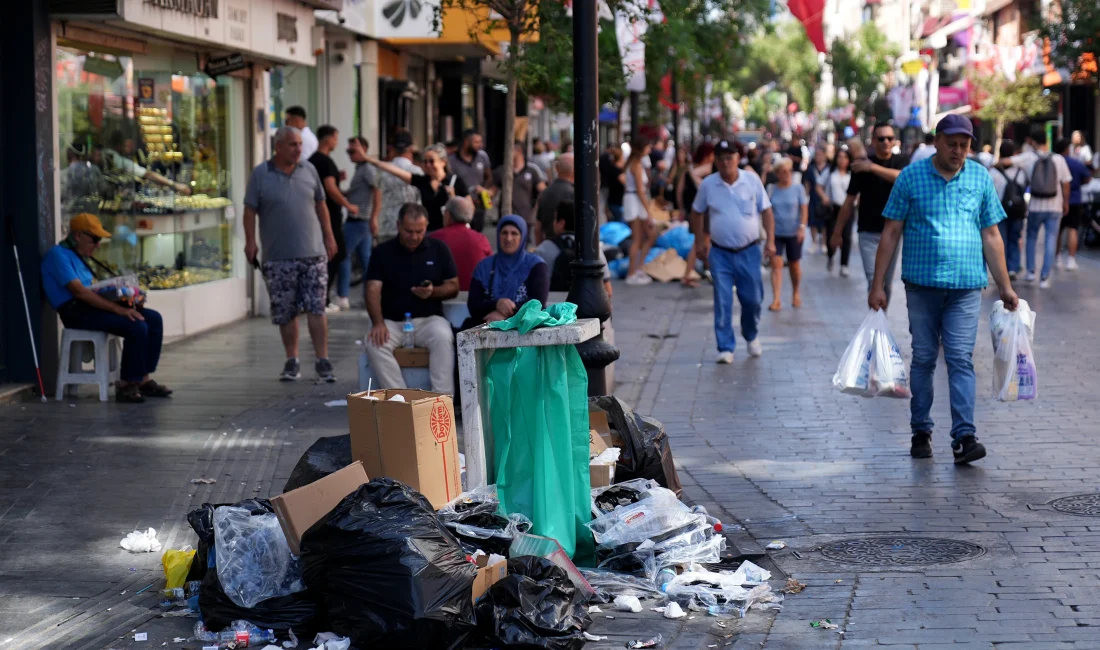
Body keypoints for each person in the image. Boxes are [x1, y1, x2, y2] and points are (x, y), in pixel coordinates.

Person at [873, 114, 1018, 464]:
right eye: (951, 144)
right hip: (921, 286)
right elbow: (891, 233)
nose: (957, 151)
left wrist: (1006, 287)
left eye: (964, 145)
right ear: (936, 141)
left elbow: (991, 235)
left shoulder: (980, 178)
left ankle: (964, 436)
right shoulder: (910, 177)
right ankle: (921, 430)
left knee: (959, 359)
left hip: (967, 287)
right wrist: (878, 284)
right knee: (923, 358)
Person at [243, 126, 339, 382]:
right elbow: (250, 210)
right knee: (286, 311)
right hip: (278, 256)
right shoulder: (261, 174)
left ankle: (322, 360)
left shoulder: (309, 170)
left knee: (317, 308)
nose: (298, 149)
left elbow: (321, 204)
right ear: (278, 147)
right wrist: (250, 241)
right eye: (292, 145)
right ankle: (292, 359)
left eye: (299, 144)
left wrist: (329, 236)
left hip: (314, 253)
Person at [41, 214, 171, 403]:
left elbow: (92, 289)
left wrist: (126, 298)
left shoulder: (80, 256)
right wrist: (119, 310)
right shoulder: (58, 255)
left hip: (89, 305)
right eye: (94, 239)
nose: (97, 245)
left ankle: (143, 379)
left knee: (153, 318)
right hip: (75, 310)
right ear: (77, 236)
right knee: (136, 325)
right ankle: (127, 384)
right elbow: (79, 292)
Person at [690, 139, 774, 364]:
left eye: (730, 157)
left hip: (749, 251)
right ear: (715, 161)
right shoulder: (709, 184)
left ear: (738, 158)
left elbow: (766, 211)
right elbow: (696, 211)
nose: (726, 162)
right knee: (723, 299)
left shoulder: (751, 180)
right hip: (720, 253)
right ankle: (725, 346)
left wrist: (771, 241)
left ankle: (751, 334)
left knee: (753, 299)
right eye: (721, 158)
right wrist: (700, 241)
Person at [364, 203, 459, 394]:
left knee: (443, 336)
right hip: (393, 321)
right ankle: (401, 398)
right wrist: (378, 322)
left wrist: (433, 291)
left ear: (427, 226)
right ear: (398, 226)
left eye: (419, 231)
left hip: (429, 320)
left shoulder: (438, 248)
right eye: (409, 231)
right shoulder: (382, 252)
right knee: (373, 342)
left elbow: (453, 286)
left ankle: (442, 399)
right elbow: (372, 289)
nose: (414, 237)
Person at [831, 123, 908, 305]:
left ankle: (880, 321)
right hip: (867, 232)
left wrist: (872, 168)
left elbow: (903, 177)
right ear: (873, 141)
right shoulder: (861, 167)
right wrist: (837, 232)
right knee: (874, 280)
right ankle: (875, 322)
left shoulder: (900, 160)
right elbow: (849, 201)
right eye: (881, 138)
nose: (886, 142)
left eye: (889, 138)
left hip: (893, 233)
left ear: (895, 140)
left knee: (885, 283)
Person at [1000, 127, 1071, 287]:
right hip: (1055, 206)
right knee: (1051, 239)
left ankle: (1031, 272)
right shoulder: (1058, 159)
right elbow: (1066, 183)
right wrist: (1065, 202)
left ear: (1032, 141)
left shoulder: (1028, 157)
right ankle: (1045, 277)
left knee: (1031, 238)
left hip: (1035, 207)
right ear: (1046, 140)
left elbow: (1006, 161)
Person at [363, 143, 469, 232]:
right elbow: (394, 170)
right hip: (429, 233)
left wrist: (453, 197)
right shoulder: (422, 181)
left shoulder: (455, 181)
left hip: (449, 232)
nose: (427, 165)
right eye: (425, 161)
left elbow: (469, 209)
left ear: (443, 162)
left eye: (431, 161)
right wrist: (367, 159)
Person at [308, 125, 357, 313]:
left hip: (319, 216)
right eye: (336, 139)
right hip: (330, 216)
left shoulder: (313, 161)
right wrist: (348, 204)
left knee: (329, 255)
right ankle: (324, 298)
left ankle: (321, 297)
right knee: (334, 255)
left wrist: (338, 182)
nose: (337, 143)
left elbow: (330, 186)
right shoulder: (325, 162)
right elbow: (329, 188)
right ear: (328, 139)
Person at [467, 215, 550, 324]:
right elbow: (473, 305)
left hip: (524, 328)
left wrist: (507, 314)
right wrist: (497, 304)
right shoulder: (484, 266)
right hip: (487, 325)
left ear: (523, 236)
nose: (508, 238)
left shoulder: (536, 265)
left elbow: (538, 303)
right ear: (498, 235)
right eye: (504, 233)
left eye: (514, 233)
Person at [534, 200, 614, 297]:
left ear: (561, 223)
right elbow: (608, 290)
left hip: (553, 307)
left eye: (555, 219)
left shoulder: (543, 249)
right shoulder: (593, 248)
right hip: (586, 306)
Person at [339, 136, 382, 309]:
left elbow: (377, 190)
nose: (350, 154)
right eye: (348, 151)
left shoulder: (367, 169)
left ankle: (342, 295)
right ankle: (369, 297)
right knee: (366, 261)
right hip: (361, 219)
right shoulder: (360, 169)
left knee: (344, 255)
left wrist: (374, 217)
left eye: (353, 151)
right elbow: (356, 192)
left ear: (363, 149)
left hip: (359, 220)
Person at [766, 158, 809, 311]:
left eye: (789, 171)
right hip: (776, 232)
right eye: (783, 171)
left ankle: (795, 292)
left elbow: (804, 209)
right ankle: (776, 298)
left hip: (794, 232)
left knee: (794, 265)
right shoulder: (771, 189)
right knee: (776, 264)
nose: (787, 174)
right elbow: (767, 211)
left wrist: (802, 228)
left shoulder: (798, 188)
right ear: (777, 174)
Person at [429, 196, 491, 290]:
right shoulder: (481, 239)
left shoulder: (433, 239)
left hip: (440, 295)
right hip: (474, 296)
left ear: (448, 215)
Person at [374, 134, 423, 244]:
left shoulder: (382, 171)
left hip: (385, 226)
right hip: (410, 228)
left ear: (393, 149)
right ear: (411, 149)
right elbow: (420, 201)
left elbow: (376, 197)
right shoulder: (417, 171)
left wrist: (374, 219)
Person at [989, 141, 1027, 280]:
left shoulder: (993, 172)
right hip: (1017, 211)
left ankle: (1002, 268)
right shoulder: (1020, 172)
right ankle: (1013, 268)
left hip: (999, 211)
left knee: (1001, 240)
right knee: (1015, 239)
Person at [678, 142, 715, 287]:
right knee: (701, 242)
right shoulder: (706, 169)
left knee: (703, 241)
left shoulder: (688, 168)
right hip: (703, 210)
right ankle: (688, 274)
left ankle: (707, 269)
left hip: (691, 209)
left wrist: (681, 209)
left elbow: (679, 191)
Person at [1055, 137, 1093, 271]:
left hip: (1057, 201)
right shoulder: (1075, 163)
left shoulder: (1054, 162)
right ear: (1067, 149)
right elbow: (1088, 178)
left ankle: (1057, 258)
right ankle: (1071, 260)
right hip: (1075, 199)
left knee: (1057, 231)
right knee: (1073, 230)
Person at [623, 137, 657, 286]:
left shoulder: (634, 163)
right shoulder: (636, 165)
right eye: (647, 146)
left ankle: (638, 268)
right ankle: (632, 272)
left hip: (634, 201)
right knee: (638, 238)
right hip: (635, 202)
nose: (649, 149)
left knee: (648, 235)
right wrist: (649, 211)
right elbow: (640, 190)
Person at [493, 144, 546, 233]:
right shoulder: (502, 170)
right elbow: (492, 191)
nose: (506, 153)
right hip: (506, 216)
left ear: (519, 151)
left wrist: (537, 208)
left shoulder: (531, 170)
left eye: (511, 150)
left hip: (525, 216)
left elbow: (543, 191)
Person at [449, 130, 494, 232]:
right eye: (476, 142)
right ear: (466, 142)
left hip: (479, 205)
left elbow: (489, 177)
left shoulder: (482, 157)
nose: (480, 145)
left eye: (480, 142)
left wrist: (484, 189)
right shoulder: (452, 160)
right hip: (460, 206)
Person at [824, 147, 854, 275]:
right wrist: (824, 197)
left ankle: (844, 264)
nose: (842, 160)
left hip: (848, 208)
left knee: (846, 236)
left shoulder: (852, 174)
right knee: (832, 234)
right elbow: (819, 186)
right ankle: (831, 256)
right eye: (840, 157)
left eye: (845, 157)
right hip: (834, 208)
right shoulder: (830, 173)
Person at [535, 153, 575, 243]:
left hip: (549, 245)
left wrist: (540, 247)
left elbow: (538, 227)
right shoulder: (575, 194)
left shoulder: (545, 192)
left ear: (557, 168)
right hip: (571, 246)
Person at [804, 146, 832, 254]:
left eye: (820, 154)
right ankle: (814, 242)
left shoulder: (829, 168)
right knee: (812, 221)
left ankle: (824, 243)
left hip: (826, 198)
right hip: (813, 198)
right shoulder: (811, 168)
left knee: (825, 222)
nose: (818, 157)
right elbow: (807, 183)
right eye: (816, 155)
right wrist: (806, 195)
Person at [605, 147, 626, 223]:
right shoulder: (616, 171)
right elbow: (626, 183)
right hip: (617, 202)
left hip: (614, 201)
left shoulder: (613, 168)